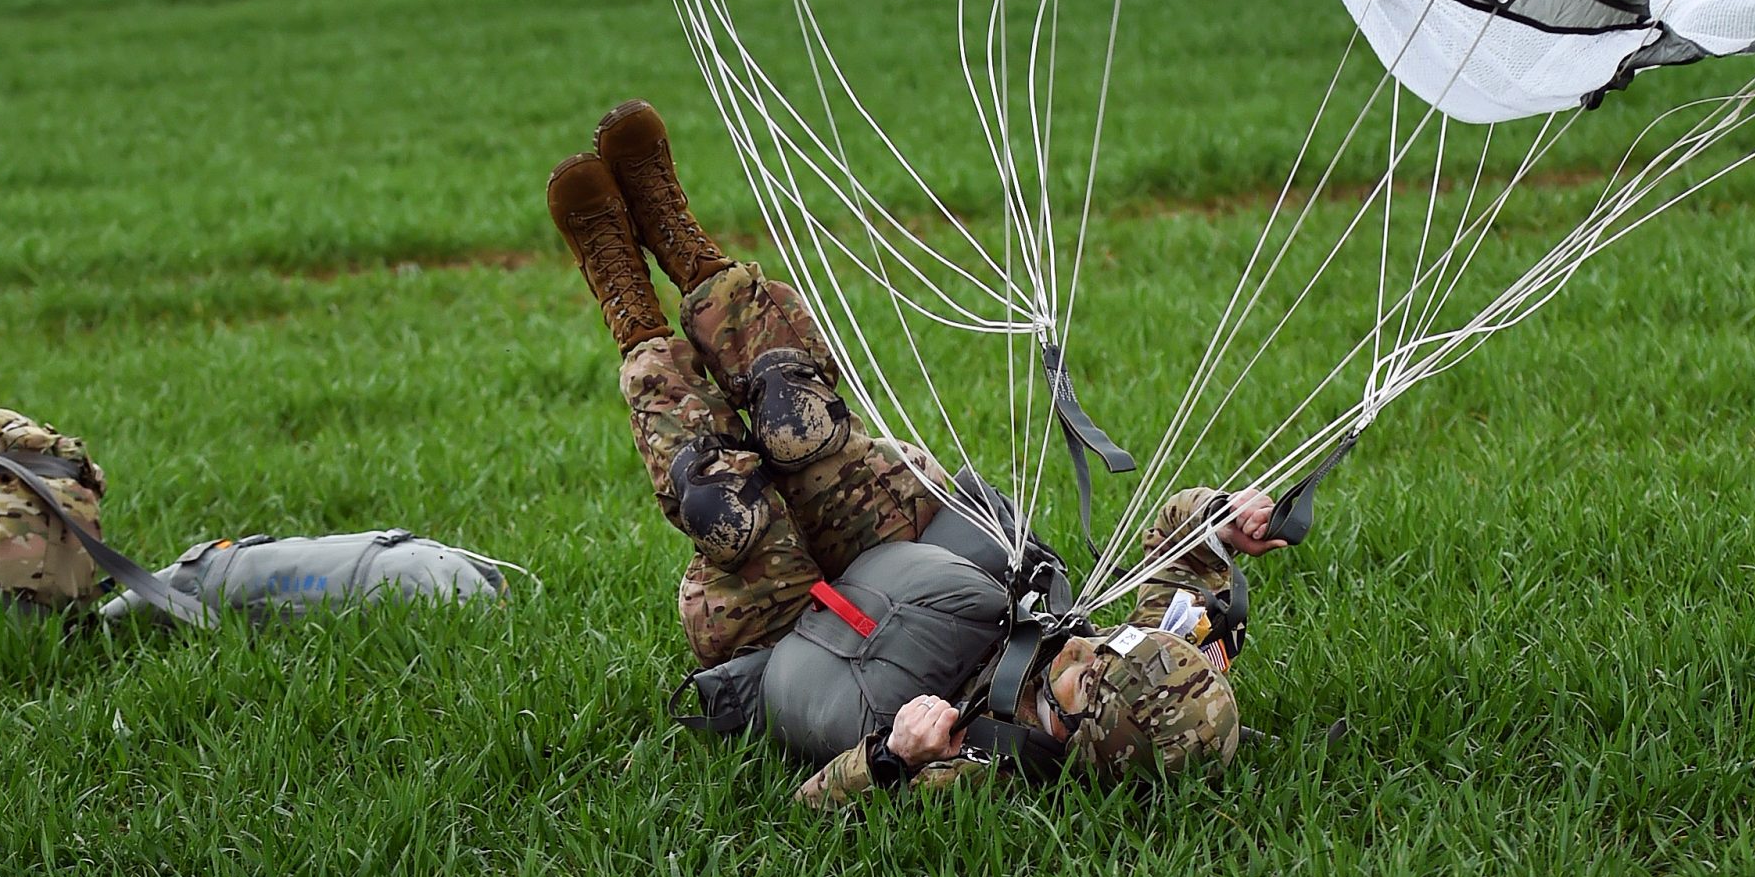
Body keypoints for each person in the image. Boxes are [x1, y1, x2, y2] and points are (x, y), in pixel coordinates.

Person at [547, 100, 1286, 807]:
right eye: (1110, 647)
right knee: (798, 422)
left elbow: (814, 802)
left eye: (1088, 673)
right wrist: (1223, 519)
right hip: (905, 548)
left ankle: (628, 304)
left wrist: (895, 755)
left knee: (726, 509)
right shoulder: (1163, 669)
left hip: (797, 628)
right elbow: (1179, 545)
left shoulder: (986, 767)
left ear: (1083, 732)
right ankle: (683, 243)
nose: (1087, 649)